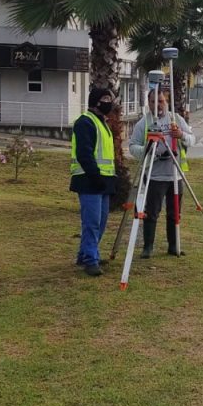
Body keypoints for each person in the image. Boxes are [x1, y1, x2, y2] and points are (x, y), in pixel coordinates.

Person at [129, 89, 195, 259]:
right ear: (148, 103)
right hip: (155, 175)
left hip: (175, 174)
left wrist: (181, 135)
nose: (157, 105)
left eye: (160, 101)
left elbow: (192, 138)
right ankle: (148, 247)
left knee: (174, 213)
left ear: (165, 101)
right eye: (153, 101)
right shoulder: (143, 123)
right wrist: (149, 151)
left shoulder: (176, 119)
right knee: (152, 212)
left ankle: (174, 246)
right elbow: (133, 146)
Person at [70, 88, 119, 276]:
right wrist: (96, 176)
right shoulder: (85, 122)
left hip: (103, 181)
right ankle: (91, 259)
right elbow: (84, 154)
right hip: (89, 180)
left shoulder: (103, 124)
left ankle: (85, 255)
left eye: (111, 98)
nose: (110, 102)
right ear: (96, 101)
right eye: (106, 98)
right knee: (92, 222)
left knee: (101, 221)